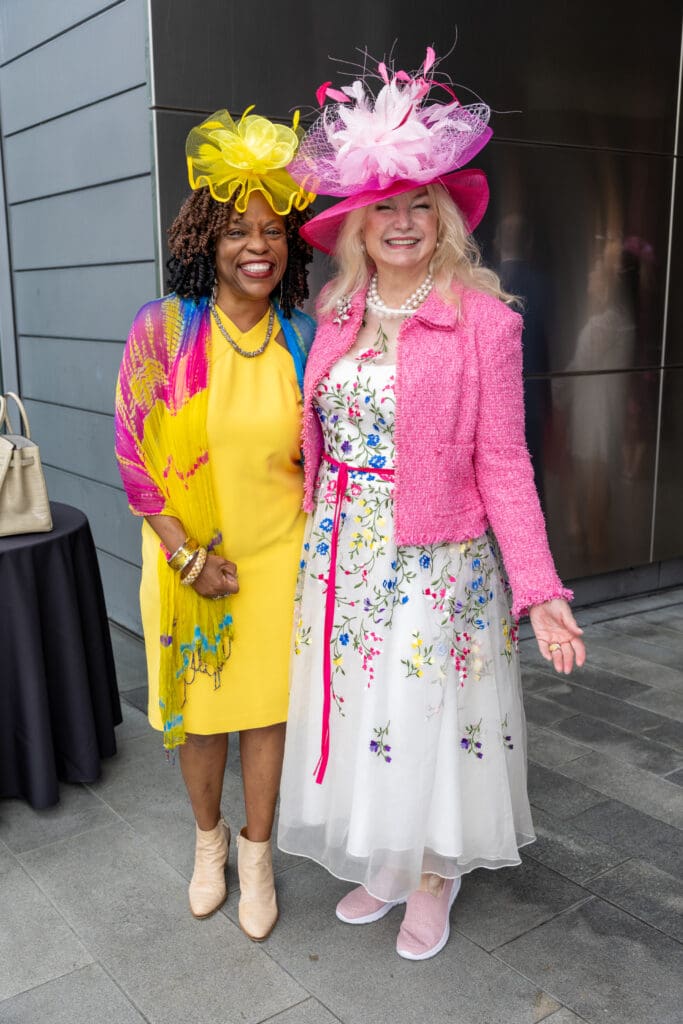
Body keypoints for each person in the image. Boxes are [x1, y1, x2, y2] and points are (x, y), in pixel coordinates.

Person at [277, 49, 586, 961]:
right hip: (341, 549)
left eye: (420, 205)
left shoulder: (484, 320)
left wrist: (540, 589)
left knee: (422, 710)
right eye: (385, 207)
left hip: (433, 554)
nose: (403, 223)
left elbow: (505, 461)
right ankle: (387, 853)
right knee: (361, 705)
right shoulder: (337, 309)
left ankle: (433, 871)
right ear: (357, 223)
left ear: (444, 217)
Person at [115, 107, 315, 940]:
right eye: (237, 230)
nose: (256, 246)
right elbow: (134, 457)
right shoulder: (162, 331)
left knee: (266, 712)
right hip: (187, 559)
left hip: (279, 557)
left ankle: (257, 854)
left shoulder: (303, 337)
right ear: (208, 239)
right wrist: (188, 558)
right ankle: (209, 844)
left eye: (272, 230)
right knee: (200, 720)